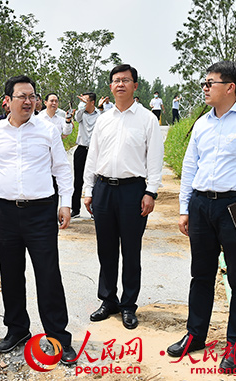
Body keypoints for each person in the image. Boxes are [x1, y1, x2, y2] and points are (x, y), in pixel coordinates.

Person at [166, 61, 236, 372]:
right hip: (201, 206)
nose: (204, 87)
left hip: (234, 208)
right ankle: (195, 334)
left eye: (210, 82)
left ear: (230, 87)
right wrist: (185, 207)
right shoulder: (202, 124)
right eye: (205, 81)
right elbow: (189, 166)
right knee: (200, 274)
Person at [0, 75, 77, 365]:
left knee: (48, 275)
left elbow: (62, 169)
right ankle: (17, 329)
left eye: (32, 96)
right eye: (22, 96)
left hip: (40, 212)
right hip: (6, 212)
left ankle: (58, 337)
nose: (29, 101)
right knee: (10, 274)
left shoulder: (47, 130)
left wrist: (66, 204)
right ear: (7, 101)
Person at [83, 64, 163, 330]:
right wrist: (88, 189)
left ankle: (128, 305)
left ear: (135, 86)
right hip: (104, 189)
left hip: (133, 191)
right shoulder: (103, 119)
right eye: (116, 80)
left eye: (125, 80)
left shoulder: (147, 119)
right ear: (110, 86)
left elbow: (154, 159)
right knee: (105, 248)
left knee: (131, 249)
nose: (120, 85)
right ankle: (108, 300)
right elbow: (92, 156)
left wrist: (151, 191)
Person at [70, 92, 100, 218]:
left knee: (96, 180)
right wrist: (82, 105)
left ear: (92, 102)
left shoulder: (99, 115)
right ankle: (75, 209)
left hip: (95, 151)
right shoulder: (81, 114)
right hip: (81, 149)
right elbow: (77, 118)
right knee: (78, 181)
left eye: (86, 101)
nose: (83, 103)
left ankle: (94, 210)